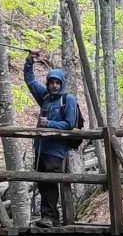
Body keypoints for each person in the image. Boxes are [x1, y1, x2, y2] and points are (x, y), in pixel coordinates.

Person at [23, 51, 82, 225]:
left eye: (57, 83)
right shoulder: (45, 98)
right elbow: (31, 81)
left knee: (49, 183)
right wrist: (29, 61)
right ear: (48, 83)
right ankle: (50, 218)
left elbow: (69, 123)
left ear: (62, 84)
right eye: (51, 82)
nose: (54, 86)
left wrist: (49, 123)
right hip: (41, 148)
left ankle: (48, 217)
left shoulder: (67, 99)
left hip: (56, 150)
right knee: (42, 183)